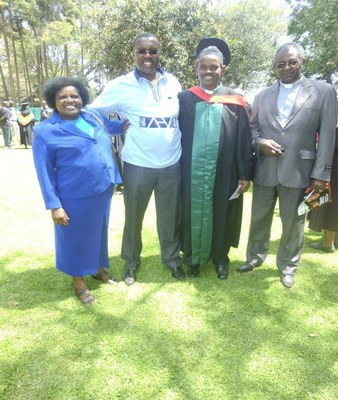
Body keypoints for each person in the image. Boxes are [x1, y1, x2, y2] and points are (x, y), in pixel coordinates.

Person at [238, 42, 337, 288]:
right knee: (259, 218)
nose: (287, 67)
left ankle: (288, 265)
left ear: (302, 61)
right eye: (281, 64)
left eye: (292, 62)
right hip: (265, 168)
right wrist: (260, 142)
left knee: (294, 221)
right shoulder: (262, 95)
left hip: (301, 170)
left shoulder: (323, 92)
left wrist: (321, 175)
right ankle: (254, 257)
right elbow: (252, 127)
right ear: (275, 67)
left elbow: (327, 135)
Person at [89, 32, 183, 285]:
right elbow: (92, 113)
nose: (147, 56)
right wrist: (116, 127)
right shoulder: (120, 85)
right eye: (141, 51)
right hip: (137, 165)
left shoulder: (173, 82)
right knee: (133, 218)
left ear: (160, 53)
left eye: (153, 51)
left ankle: (172, 260)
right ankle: (131, 263)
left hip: (172, 164)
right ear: (133, 54)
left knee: (169, 218)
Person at [32, 76, 129, 304]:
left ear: (82, 98)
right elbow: (44, 172)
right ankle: (78, 280)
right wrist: (54, 205)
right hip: (73, 195)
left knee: (98, 231)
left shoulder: (92, 118)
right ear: (53, 101)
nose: (69, 100)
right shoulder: (45, 131)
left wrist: (137, 119)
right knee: (74, 236)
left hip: (103, 189)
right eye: (62, 97)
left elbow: (117, 127)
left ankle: (97, 267)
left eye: (74, 96)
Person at [178, 38, 254, 280]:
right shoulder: (184, 98)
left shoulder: (235, 100)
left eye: (214, 67)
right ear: (196, 68)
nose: (208, 71)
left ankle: (221, 258)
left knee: (223, 210)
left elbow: (244, 138)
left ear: (223, 68)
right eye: (203, 66)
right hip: (190, 171)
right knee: (191, 212)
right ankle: (192, 259)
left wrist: (244, 173)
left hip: (225, 170)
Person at [308, 99, 338, 253]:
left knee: (329, 207)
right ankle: (334, 241)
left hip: (332, 175)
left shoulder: (334, 130)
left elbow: (329, 154)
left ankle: (328, 243)